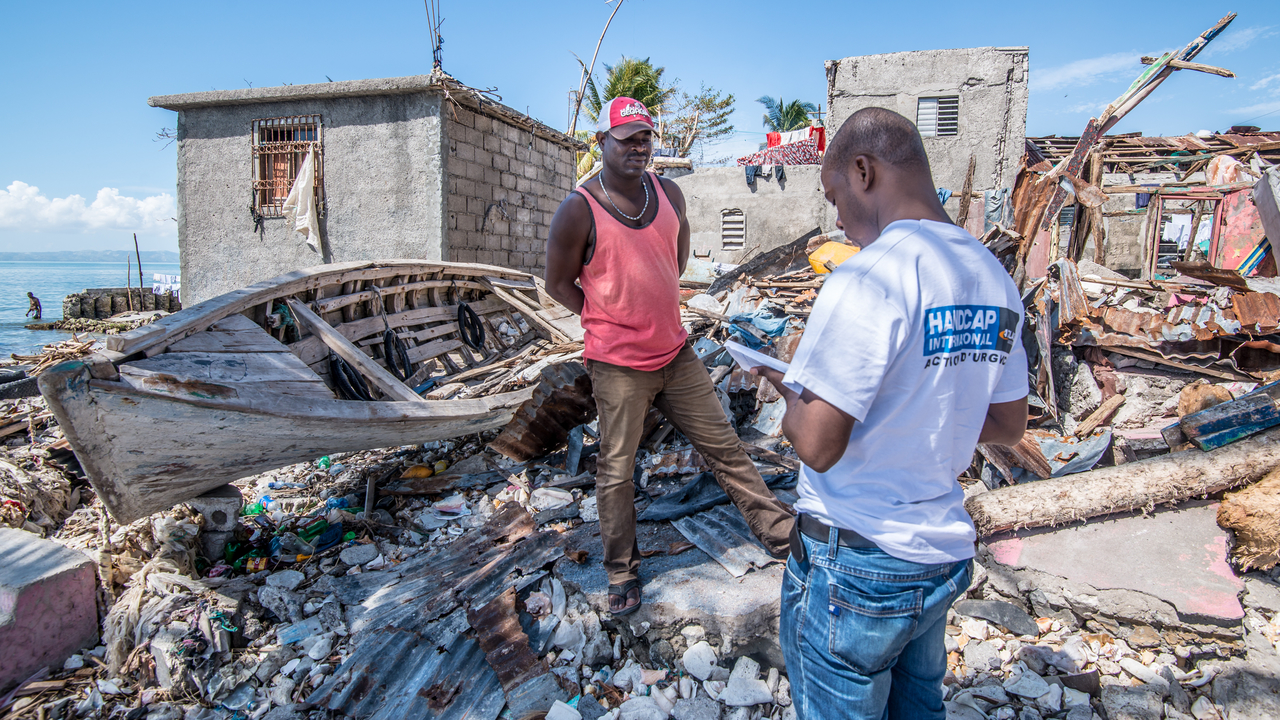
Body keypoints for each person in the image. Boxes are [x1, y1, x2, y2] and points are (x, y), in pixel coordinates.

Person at [751, 107, 1029, 719]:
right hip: (937, 559)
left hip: (857, 562)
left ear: (863, 170)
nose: (839, 219)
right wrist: (924, 402)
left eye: (834, 195)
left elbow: (818, 445)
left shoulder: (869, 278)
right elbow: (1007, 424)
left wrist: (788, 387)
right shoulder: (990, 275)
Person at [545, 97, 795, 616]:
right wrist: (603, 316)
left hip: (676, 354)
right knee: (616, 469)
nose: (637, 148)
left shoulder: (669, 193)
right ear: (601, 143)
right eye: (625, 139)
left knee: (724, 447)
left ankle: (783, 539)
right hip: (617, 365)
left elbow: (675, 260)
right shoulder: (578, 209)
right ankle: (622, 574)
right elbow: (556, 283)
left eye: (644, 138)